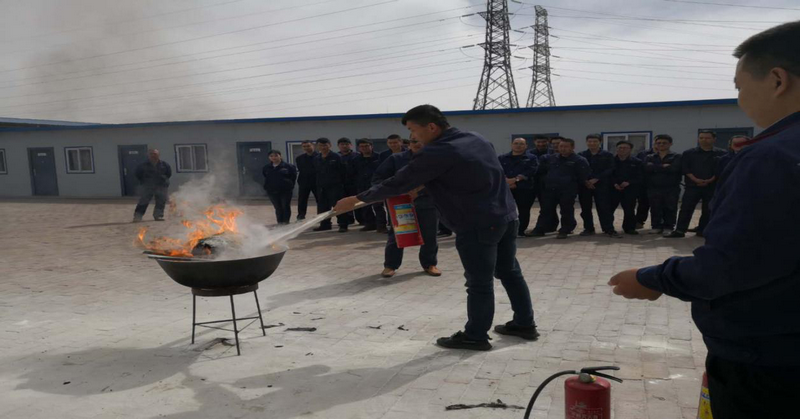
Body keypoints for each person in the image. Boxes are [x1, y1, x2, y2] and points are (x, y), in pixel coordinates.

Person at [608, 21, 800, 419]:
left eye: (739, 85)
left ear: (778, 80)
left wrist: (650, 278)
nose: (740, 97)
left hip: (771, 358)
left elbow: (731, 266)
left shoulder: (772, 157)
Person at [334, 105, 537, 351]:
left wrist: (356, 200)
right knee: (510, 271)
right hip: (506, 215)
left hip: (478, 223)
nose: (413, 138)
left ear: (431, 127)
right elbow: (468, 172)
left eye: (413, 131)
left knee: (479, 282)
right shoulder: (476, 138)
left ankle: (475, 335)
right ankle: (524, 323)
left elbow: (399, 181)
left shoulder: (438, 151)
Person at [372, 135, 441, 278]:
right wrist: (398, 189)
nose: (418, 144)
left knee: (430, 235)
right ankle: (390, 265)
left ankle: (430, 264)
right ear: (408, 144)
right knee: (397, 235)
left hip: (427, 202)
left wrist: (422, 190)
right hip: (401, 203)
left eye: (422, 141)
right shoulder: (396, 159)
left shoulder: (435, 159)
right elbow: (378, 178)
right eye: (414, 142)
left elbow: (443, 181)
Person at [666, 131, 726, 238]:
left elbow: (721, 169)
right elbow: (685, 168)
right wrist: (695, 180)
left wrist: (710, 180)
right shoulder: (689, 153)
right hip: (692, 186)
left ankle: (703, 230)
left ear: (714, 139)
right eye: (701, 138)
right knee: (686, 208)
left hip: (712, 186)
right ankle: (680, 230)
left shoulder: (721, 153)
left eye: (707, 138)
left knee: (708, 209)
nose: (704, 140)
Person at [528, 138, 590, 239]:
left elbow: (583, 176)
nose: (563, 149)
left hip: (567, 190)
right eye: (561, 146)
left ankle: (565, 229)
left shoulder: (579, 160)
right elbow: (541, 171)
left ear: (572, 147)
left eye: (566, 146)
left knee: (566, 210)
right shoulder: (551, 158)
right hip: (550, 189)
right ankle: (540, 229)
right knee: (545, 210)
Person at [498, 138, 539, 237]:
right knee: (504, 210)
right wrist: (507, 181)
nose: (518, 146)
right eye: (516, 143)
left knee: (524, 210)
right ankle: (505, 231)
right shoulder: (502, 158)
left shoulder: (532, 158)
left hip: (525, 188)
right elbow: (497, 170)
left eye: (521, 144)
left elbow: (532, 170)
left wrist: (516, 179)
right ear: (512, 145)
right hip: (507, 188)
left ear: (526, 146)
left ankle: (520, 231)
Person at [578, 134, 616, 237]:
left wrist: (597, 178)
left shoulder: (607, 155)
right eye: (590, 141)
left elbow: (610, 169)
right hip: (585, 186)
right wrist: (586, 180)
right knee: (585, 208)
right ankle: (588, 228)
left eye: (595, 141)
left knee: (604, 208)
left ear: (600, 142)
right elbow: (578, 170)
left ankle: (608, 228)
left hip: (602, 185)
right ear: (586, 142)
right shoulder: (581, 155)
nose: (592, 143)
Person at [644, 135, 682, 235]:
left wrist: (655, 167)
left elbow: (675, 169)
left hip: (671, 187)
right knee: (655, 207)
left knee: (670, 207)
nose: (661, 144)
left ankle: (669, 227)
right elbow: (647, 169)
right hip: (654, 187)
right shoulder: (650, 157)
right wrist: (663, 167)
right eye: (659, 143)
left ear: (670, 144)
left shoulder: (676, 156)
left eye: (664, 143)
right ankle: (656, 226)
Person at [312, 138, 350, 232]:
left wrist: (342, 185)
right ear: (317, 146)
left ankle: (343, 225)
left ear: (330, 145)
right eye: (320, 145)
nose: (323, 147)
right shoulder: (317, 158)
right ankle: (325, 224)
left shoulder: (336, 157)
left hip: (335, 186)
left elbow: (344, 172)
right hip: (322, 187)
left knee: (338, 206)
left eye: (325, 145)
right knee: (322, 207)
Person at [352, 139, 388, 233]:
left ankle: (381, 226)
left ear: (371, 146)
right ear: (359, 148)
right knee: (364, 206)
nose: (364, 148)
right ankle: (370, 224)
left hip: (376, 185)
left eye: (366, 146)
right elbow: (353, 173)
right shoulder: (356, 159)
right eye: (362, 146)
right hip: (362, 185)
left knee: (378, 206)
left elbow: (384, 170)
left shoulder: (379, 157)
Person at [610, 141, 644, 235]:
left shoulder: (637, 162)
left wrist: (629, 182)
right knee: (609, 209)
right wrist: (615, 184)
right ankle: (608, 228)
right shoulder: (610, 160)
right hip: (613, 189)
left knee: (629, 209)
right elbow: (608, 174)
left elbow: (641, 176)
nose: (622, 149)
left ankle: (629, 228)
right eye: (620, 147)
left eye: (625, 148)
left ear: (630, 149)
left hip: (630, 189)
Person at [133, 149, 172, 222]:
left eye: (155, 154)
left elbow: (168, 174)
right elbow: (138, 174)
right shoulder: (143, 165)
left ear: (158, 155)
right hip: (148, 186)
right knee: (143, 201)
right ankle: (137, 216)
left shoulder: (164, 164)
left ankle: (158, 216)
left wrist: (163, 180)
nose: (153, 155)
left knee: (161, 201)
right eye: (151, 154)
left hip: (161, 186)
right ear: (148, 155)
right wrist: (145, 182)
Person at [262, 150, 297, 225]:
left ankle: (286, 222)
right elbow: (265, 176)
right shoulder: (266, 167)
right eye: (271, 156)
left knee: (285, 206)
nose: (274, 157)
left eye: (276, 155)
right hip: (272, 191)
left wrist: (289, 186)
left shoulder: (289, 167)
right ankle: (280, 222)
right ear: (269, 158)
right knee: (277, 207)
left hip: (285, 191)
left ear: (280, 156)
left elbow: (293, 177)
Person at [295, 140, 318, 221]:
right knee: (302, 200)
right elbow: (301, 170)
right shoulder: (299, 158)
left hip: (317, 182)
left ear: (313, 146)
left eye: (308, 146)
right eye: (304, 146)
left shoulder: (319, 156)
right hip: (304, 182)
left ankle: (321, 215)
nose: (306, 148)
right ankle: (301, 215)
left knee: (320, 200)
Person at [337, 137, 359, 227]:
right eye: (342, 144)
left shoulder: (356, 156)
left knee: (356, 202)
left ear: (350, 145)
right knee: (344, 202)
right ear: (338, 146)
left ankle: (361, 219)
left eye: (346, 144)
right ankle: (349, 219)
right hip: (341, 183)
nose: (344, 146)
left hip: (354, 183)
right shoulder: (336, 156)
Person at [634, 146, 654, 229]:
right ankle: (639, 221)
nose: (660, 144)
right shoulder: (643, 154)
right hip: (643, 183)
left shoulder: (670, 155)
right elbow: (637, 167)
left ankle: (658, 224)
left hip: (660, 184)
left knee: (659, 205)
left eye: (663, 143)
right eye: (657, 142)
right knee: (643, 203)